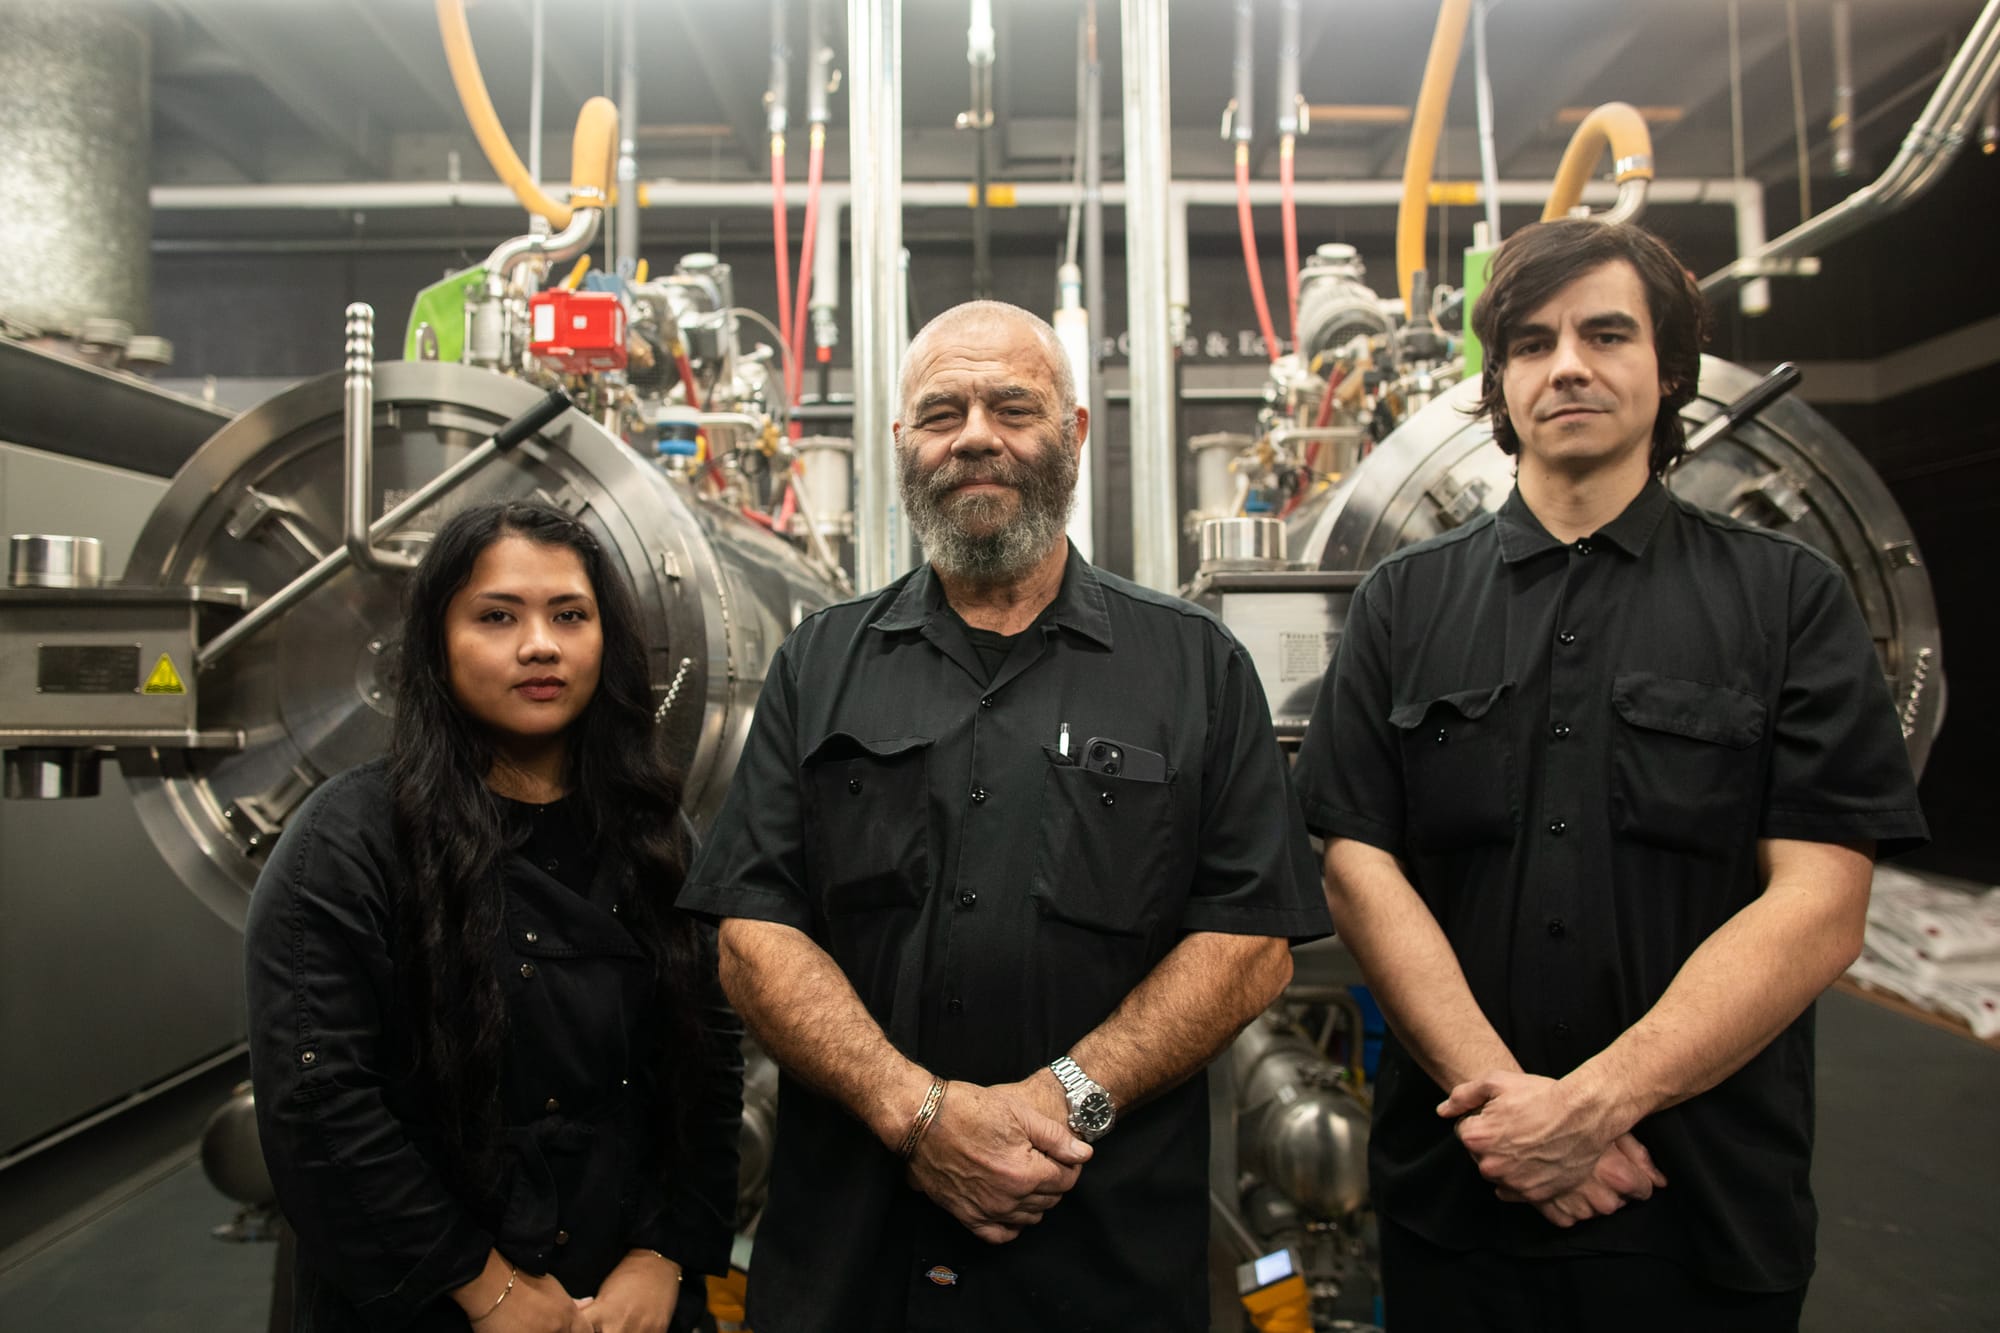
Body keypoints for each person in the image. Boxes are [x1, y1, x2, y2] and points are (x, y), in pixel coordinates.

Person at [1293, 218, 1928, 1330]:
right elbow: (1357, 866)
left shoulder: (1788, 602)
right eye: (1531, 343)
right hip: (1461, 1193)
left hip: (1698, 1201)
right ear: (1497, 382)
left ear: (1668, 366)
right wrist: (1515, 1119)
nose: (1567, 365)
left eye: (1604, 333)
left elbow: (1821, 904)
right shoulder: (1401, 600)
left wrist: (1590, 1108)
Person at [678, 300, 1329, 1331]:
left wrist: (1061, 1098)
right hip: (854, 1270)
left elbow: (1249, 941)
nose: (974, 433)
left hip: (1099, 1260)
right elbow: (753, 933)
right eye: (941, 412)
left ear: (1072, 434)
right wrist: (916, 1112)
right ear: (901, 446)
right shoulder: (819, 663)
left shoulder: (1191, 665)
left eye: (1010, 406)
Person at [246, 500, 743, 1333]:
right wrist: (487, 1288)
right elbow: (320, 1102)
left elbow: (709, 1059)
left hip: (624, 1296)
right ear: (437, 643)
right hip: (427, 1297)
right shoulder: (347, 843)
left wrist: (663, 1254)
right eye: (497, 615)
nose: (540, 643)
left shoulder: (654, 834)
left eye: (569, 615)